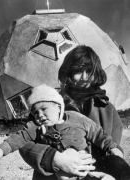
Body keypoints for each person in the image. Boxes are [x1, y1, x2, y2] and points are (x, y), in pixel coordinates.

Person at [17, 45, 124, 180]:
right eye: (78, 71)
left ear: (96, 73)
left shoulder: (107, 109)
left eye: (89, 71)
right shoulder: (49, 104)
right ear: (68, 73)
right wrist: (54, 159)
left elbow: (113, 148)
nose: (84, 77)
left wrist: (115, 162)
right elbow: (24, 142)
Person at [0, 84, 124, 180]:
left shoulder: (77, 119)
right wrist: (2, 148)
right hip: (59, 172)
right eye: (35, 112)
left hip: (85, 169)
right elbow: (20, 137)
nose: (39, 115)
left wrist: (112, 147)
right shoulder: (35, 126)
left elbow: (98, 133)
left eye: (44, 109)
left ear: (58, 107)